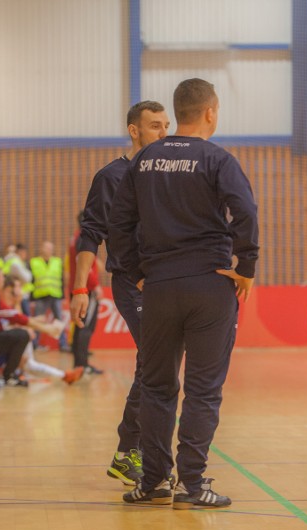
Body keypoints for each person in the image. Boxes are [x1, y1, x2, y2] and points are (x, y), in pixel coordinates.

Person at [109, 79, 259, 508]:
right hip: (210, 285)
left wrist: (134, 271)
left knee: (157, 387)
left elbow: (118, 223)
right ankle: (192, 485)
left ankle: (154, 480)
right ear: (210, 112)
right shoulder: (217, 158)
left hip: (158, 287)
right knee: (203, 389)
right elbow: (245, 211)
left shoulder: (145, 160)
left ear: (177, 114)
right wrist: (245, 267)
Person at [70, 100, 170, 485]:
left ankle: (134, 451)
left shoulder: (167, 175)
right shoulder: (111, 177)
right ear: (135, 130)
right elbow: (90, 234)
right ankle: (130, 449)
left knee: (156, 364)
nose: (163, 133)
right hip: (131, 283)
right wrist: (80, 287)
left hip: (164, 282)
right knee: (155, 361)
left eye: (166, 126)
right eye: (155, 126)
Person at [0, 276, 83, 385]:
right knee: (29, 363)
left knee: (29, 359)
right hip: (6, 346)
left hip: (13, 342)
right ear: (9, 289)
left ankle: (62, 375)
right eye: (18, 286)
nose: (21, 290)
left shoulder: (15, 303)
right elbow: (13, 323)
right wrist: (39, 326)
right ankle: (64, 376)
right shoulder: (3, 304)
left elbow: (19, 320)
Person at [0, 266, 31, 387]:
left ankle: (10, 373)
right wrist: (42, 326)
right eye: (14, 289)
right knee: (23, 336)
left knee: (24, 343)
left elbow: (17, 317)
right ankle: (8, 375)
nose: (17, 291)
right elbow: (16, 317)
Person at [68, 212, 103, 376]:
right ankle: (82, 365)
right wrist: (95, 286)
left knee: (80, 326)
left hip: (77, 290)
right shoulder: (83, 238)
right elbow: (84, 265)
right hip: (85, 291)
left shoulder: (76, 237)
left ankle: (79, 364)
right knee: (85, 327)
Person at [30, 241, 67, 350]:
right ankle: (35, 344)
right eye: (46, 247)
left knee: (59, 320)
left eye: (50, 248)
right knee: (37, 320)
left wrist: (63, 296)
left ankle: (63, 344)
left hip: (55, 295)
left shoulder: (58, 261)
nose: (48, 250)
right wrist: (31, 298)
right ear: (41, 248)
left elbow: (62, 279)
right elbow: (31, 280)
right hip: (40, 296)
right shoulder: (34, 262)